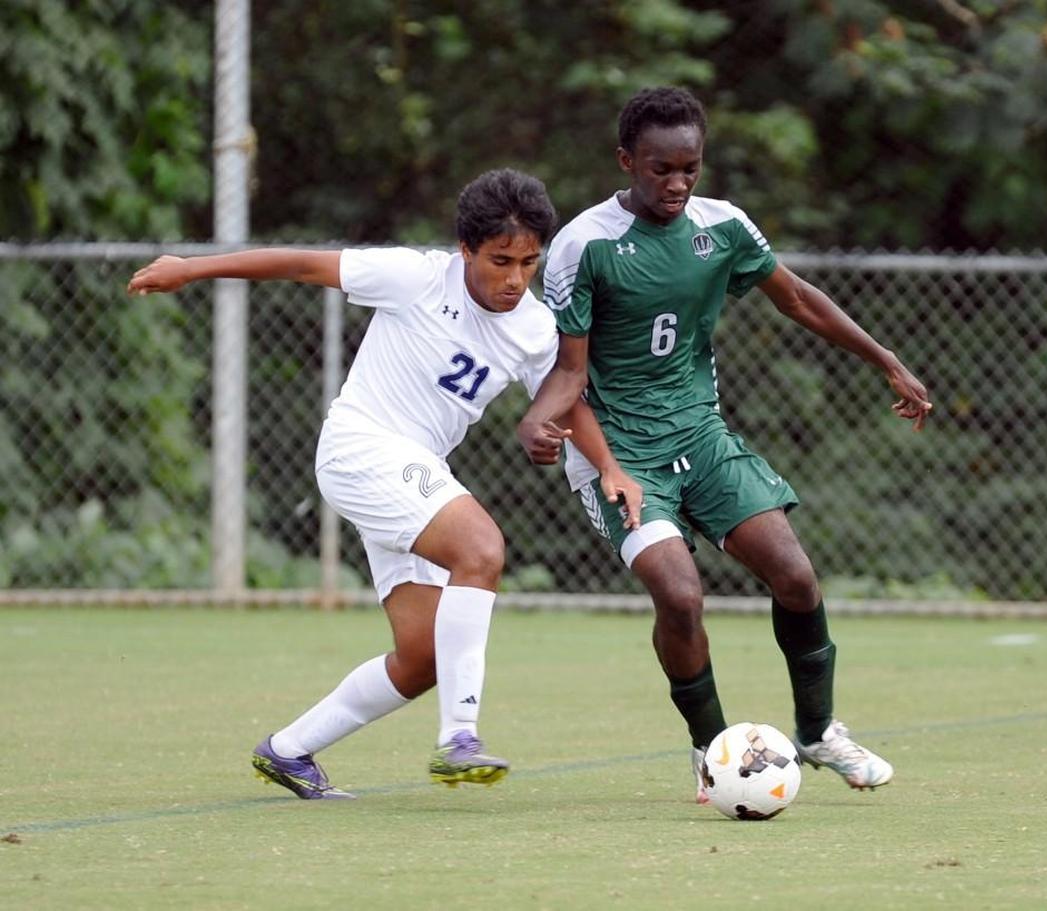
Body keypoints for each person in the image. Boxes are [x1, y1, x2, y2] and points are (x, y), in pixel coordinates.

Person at [128, 168, 642, 799]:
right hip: (360, 448)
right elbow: (299, 266)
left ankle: (289, 751)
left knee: (424, 657)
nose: (513, 279)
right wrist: (191, 268)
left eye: (528, 263)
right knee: (480, 549)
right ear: (465, 250)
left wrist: (610, 467)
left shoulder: (534, 326)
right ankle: (459, 739)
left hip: (414, 473)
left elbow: (564, 397)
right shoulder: (415, 277)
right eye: (499, 260)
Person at [517, 88, 932, 799]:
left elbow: (797, 298)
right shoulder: (585, 244)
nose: (677, 183)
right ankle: (710, 750)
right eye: (660, 168)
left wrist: (886, 359)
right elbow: (569, 370)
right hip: (621, 456)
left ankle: (819, 730)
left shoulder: (724, 228)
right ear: (626, 161)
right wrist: (539, 420)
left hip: (701, 435)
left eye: (690, 168)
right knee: (679, 596)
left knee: (796, 576)